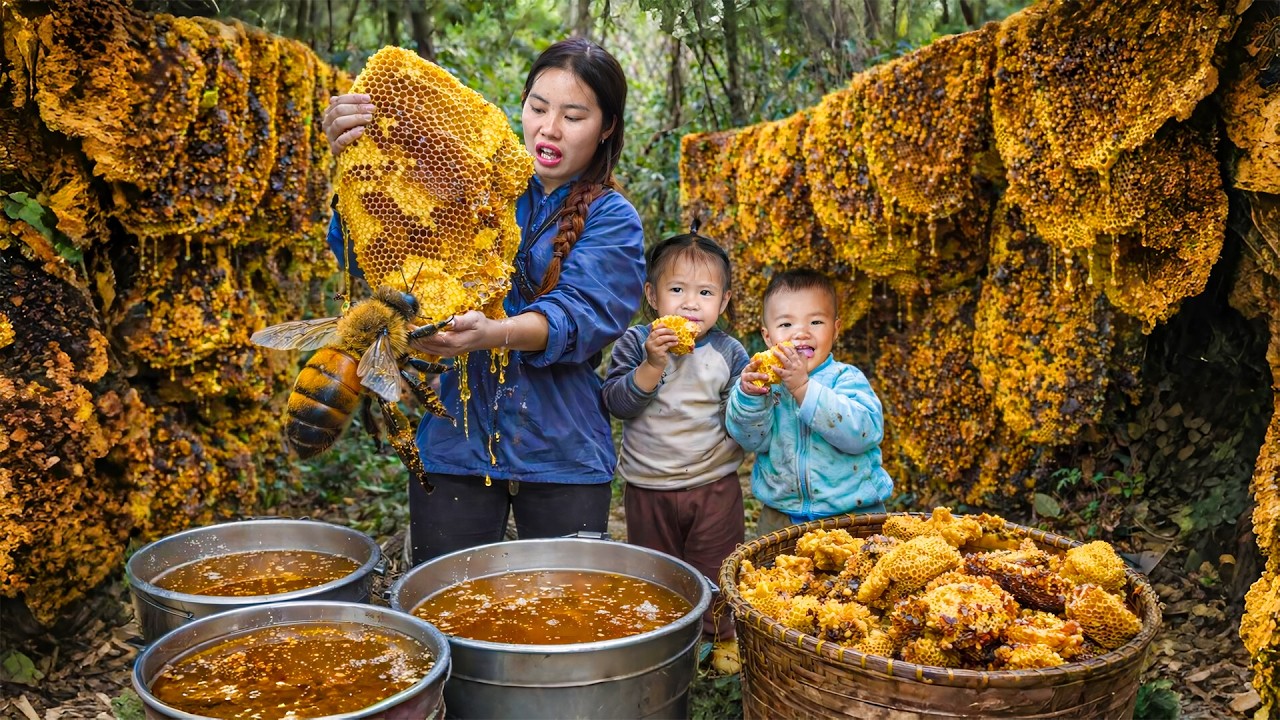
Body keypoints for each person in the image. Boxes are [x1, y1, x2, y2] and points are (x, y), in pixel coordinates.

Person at [321, 38, 645, 565]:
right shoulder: (475, 180)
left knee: (562, 604)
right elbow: (373, 254)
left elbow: (583, 315)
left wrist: (495, 334)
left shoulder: (614, 218)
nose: (549, 128)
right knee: (445, 597)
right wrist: (357, 163)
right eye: (538, 108)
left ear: (607, 126)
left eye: (573, 116)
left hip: (564, 449)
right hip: (454, 439)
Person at [601, 227, 748, 675]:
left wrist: (755, 395)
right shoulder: (636, 343)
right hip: (648, 486)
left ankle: (719, 638)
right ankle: (664, 642)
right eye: (677, 290)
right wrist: (652, 364)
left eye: (705, 293)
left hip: (713, 484)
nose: (690, 304)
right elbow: (618, 403)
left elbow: (741, 416)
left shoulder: (729, 352)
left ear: (723, 301)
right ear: (652, 295)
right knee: (657, 570)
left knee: (716, 568)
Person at [726, 268, 893, 538]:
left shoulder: (846, 379)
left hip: (853, 515)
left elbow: (864, 433)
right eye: (786, 325)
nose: (801, 333)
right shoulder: (765, 384)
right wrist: (749, 397)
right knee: (773, 566)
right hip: (781, 515)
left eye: (815, 322)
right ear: (768, 337)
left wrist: (804, 389)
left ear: (835, 330)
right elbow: (750, 440)